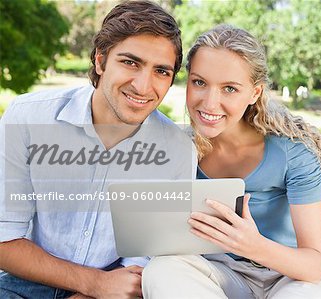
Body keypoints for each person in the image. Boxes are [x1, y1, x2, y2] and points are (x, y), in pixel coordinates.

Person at [0, 1, 195, 298]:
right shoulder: (28, 118)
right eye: (130, 62)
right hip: (23, 283)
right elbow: (4, 239)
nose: (144, 86)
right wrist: (93, 283)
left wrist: (97, 291)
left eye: (161, 71)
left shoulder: (178, 149)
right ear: (100, 61)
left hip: (118, 291)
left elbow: (146, 258)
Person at [142, 24, 321, 298]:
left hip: (290, 275)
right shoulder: (179, 147)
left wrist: (252, 244)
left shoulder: (293, 153)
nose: (210, 103)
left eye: (230, 89)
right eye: (199, 82)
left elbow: (316, 265)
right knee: (162, 269)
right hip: (220, 275)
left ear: (255, 93)